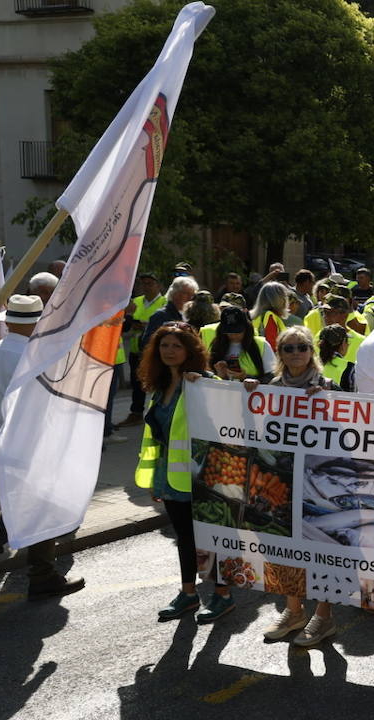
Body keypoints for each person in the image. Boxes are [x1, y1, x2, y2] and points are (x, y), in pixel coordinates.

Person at [0, 296, 85, 598]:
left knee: (32, 505)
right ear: (38, 323)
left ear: (8, 322)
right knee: (33, 505)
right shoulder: (39, 358)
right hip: (35, 442)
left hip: (1, 438)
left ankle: (40, 573)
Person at [241, 327, 337, 644]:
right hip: (281, 482)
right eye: (288, 348)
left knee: (322, 550)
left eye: (302, 347)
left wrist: (327, 399)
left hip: (317, 484)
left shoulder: (328, 387)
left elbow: (346, 432)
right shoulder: (271, 388)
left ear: (312, 352)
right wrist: (250, 393)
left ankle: (323, 616)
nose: (296, 353)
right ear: (280, 354)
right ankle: (294, 610)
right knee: (284, 549)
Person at [136, 323, 234, 622]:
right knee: (185, 538)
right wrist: (155, 477)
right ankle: (188, 594)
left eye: (176, 346)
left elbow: (230, 410)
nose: (169, 351)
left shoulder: (202, 381)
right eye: (164, 346)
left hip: (203, 476)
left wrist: (214, 382)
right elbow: (155, 438)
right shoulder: (157, 386)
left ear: (190, 350)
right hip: (171, 476)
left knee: (212, 537)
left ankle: (223, 595)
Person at [117, 273, 166, 429]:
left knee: (159, 381)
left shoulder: (164, 302)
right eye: (143, 284)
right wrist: (132, 323)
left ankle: (161, 412)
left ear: (159, 286)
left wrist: (147, 326)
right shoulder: (135, 302)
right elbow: (124, 323)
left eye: (150, 283)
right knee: (137, 382)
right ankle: (136, 413)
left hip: (156, 350)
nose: (146, 286)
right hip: (136, 348)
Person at [206, 305, 274, 382]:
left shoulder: (261, 345)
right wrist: (219, 375)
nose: (233, 335)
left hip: (252, 393)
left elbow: (272, 377)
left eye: (238, 331)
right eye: (229, 332)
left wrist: (247, 378)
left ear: (247, 328)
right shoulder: (217, 345)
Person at [141, 276, 197, 351]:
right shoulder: (161, 315)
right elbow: (147, 342)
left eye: (192, 294)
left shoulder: (192, 315)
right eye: (186, 293)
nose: (190, 298)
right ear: (175, 294)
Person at [251, 281, 291, 351]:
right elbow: (272, 345)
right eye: (284, 296)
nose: (286, 300)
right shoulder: (270, 316)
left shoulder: (255, 315)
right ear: (278, 299)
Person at [317, 324, 355, 390]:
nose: (348, 344)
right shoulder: (349, 367)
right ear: (343, 343)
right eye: (347, 341)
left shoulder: (310, 364)